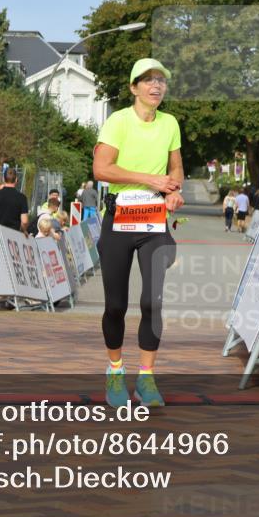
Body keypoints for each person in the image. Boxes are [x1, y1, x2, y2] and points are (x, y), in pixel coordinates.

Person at [92, 57, 183, 408]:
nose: (156, 86)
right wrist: (150, 179)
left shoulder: (170, 123)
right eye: (148, 80)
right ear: (134, 88)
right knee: (116, 305)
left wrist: (173, 191)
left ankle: (146, 378)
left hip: (153, 221)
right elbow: (102, 169)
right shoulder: (118, 121)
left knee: (152, 301)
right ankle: (115, 371)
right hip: (118, 219)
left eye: (161, 80)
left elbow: (176, 168)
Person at [0, 168, 29, 233]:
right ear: (16, 180)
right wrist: (23, 230)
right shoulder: (22, 198)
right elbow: (24, 221)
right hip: (14, 234)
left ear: (3, 179)